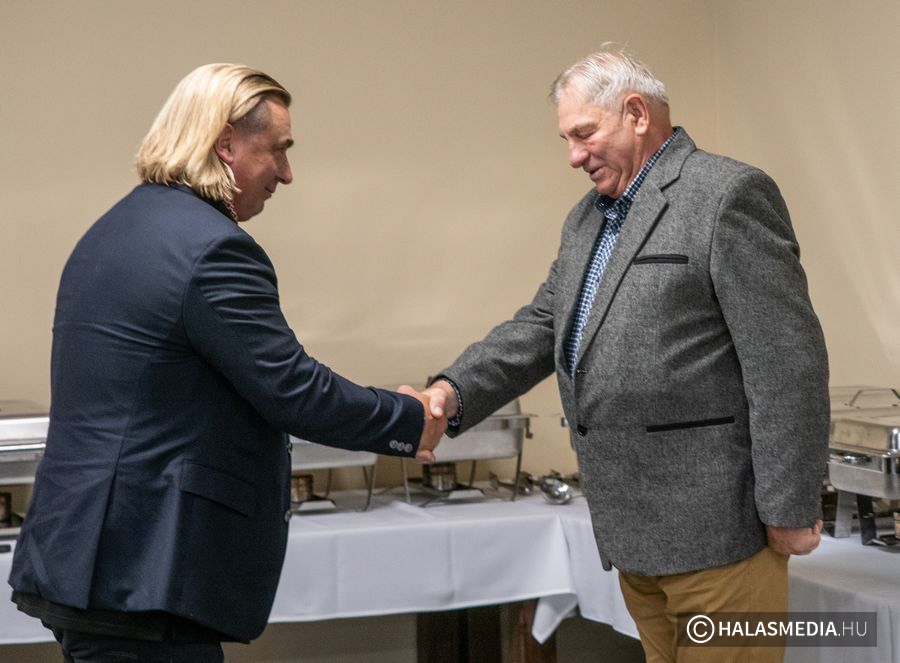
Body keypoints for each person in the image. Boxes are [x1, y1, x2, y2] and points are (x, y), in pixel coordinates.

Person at [8, 63, 446, 662]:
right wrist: (408, 418)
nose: (286, 174)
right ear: (226, 144)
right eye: (278, 150)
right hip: (141, 569)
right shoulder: (214, 248)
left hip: (85, 555)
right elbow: (293, 390)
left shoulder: (112, 230)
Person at [424, 46, 828, 663]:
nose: (573, 155)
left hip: (722, 534)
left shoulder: (727, 194)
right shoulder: (586, 219)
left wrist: (790, 505)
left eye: (584, 133)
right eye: (566, 139)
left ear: (636, 114)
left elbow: (787, 362)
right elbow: (542, 325)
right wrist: (451, 392)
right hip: (635, 538)